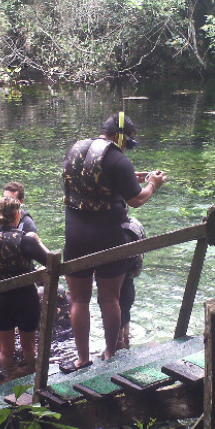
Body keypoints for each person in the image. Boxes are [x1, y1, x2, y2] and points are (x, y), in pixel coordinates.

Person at [61, 112, 166, 373]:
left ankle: (82, 359)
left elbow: (90, 181)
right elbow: (136, 200)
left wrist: (131, 176)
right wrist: (152, 184)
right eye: (128, 143)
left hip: (75, 234)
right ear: (121, 137)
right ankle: (110, 354)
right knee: (110, 300)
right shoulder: (119, 160)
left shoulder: (77, 149)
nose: (127, 148)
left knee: (79, 301)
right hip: (108, 236)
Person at [0, 196, 49, 373]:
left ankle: (7, 380)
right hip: (25, 298)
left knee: (5, 350)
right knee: (29, 348)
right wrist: (39, 242)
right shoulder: (26, 240)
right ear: (17, 215)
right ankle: (32, 382)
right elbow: (51, 262)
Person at [117, 216, 146, 350]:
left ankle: (119, 342)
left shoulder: (121, 230)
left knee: (117, 304)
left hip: (118, 277)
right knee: (125, 306)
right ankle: (125, 337)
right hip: (130, 275)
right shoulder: (135, 224)